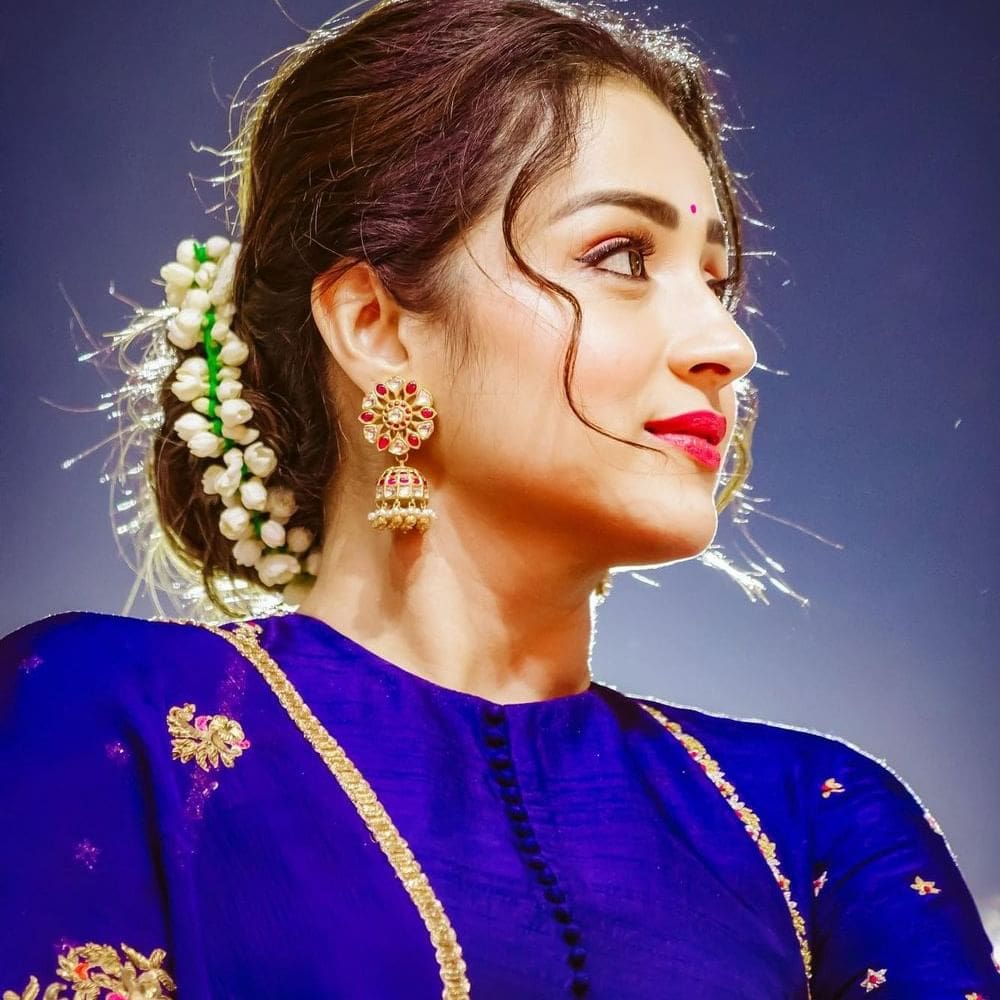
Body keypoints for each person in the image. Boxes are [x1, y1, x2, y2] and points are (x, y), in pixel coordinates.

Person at [1, 1, 997, 997]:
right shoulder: (112, 717)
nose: (727, 346)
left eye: (716, 282)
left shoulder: (817, 820)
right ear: (377, 327)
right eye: (622, 257)